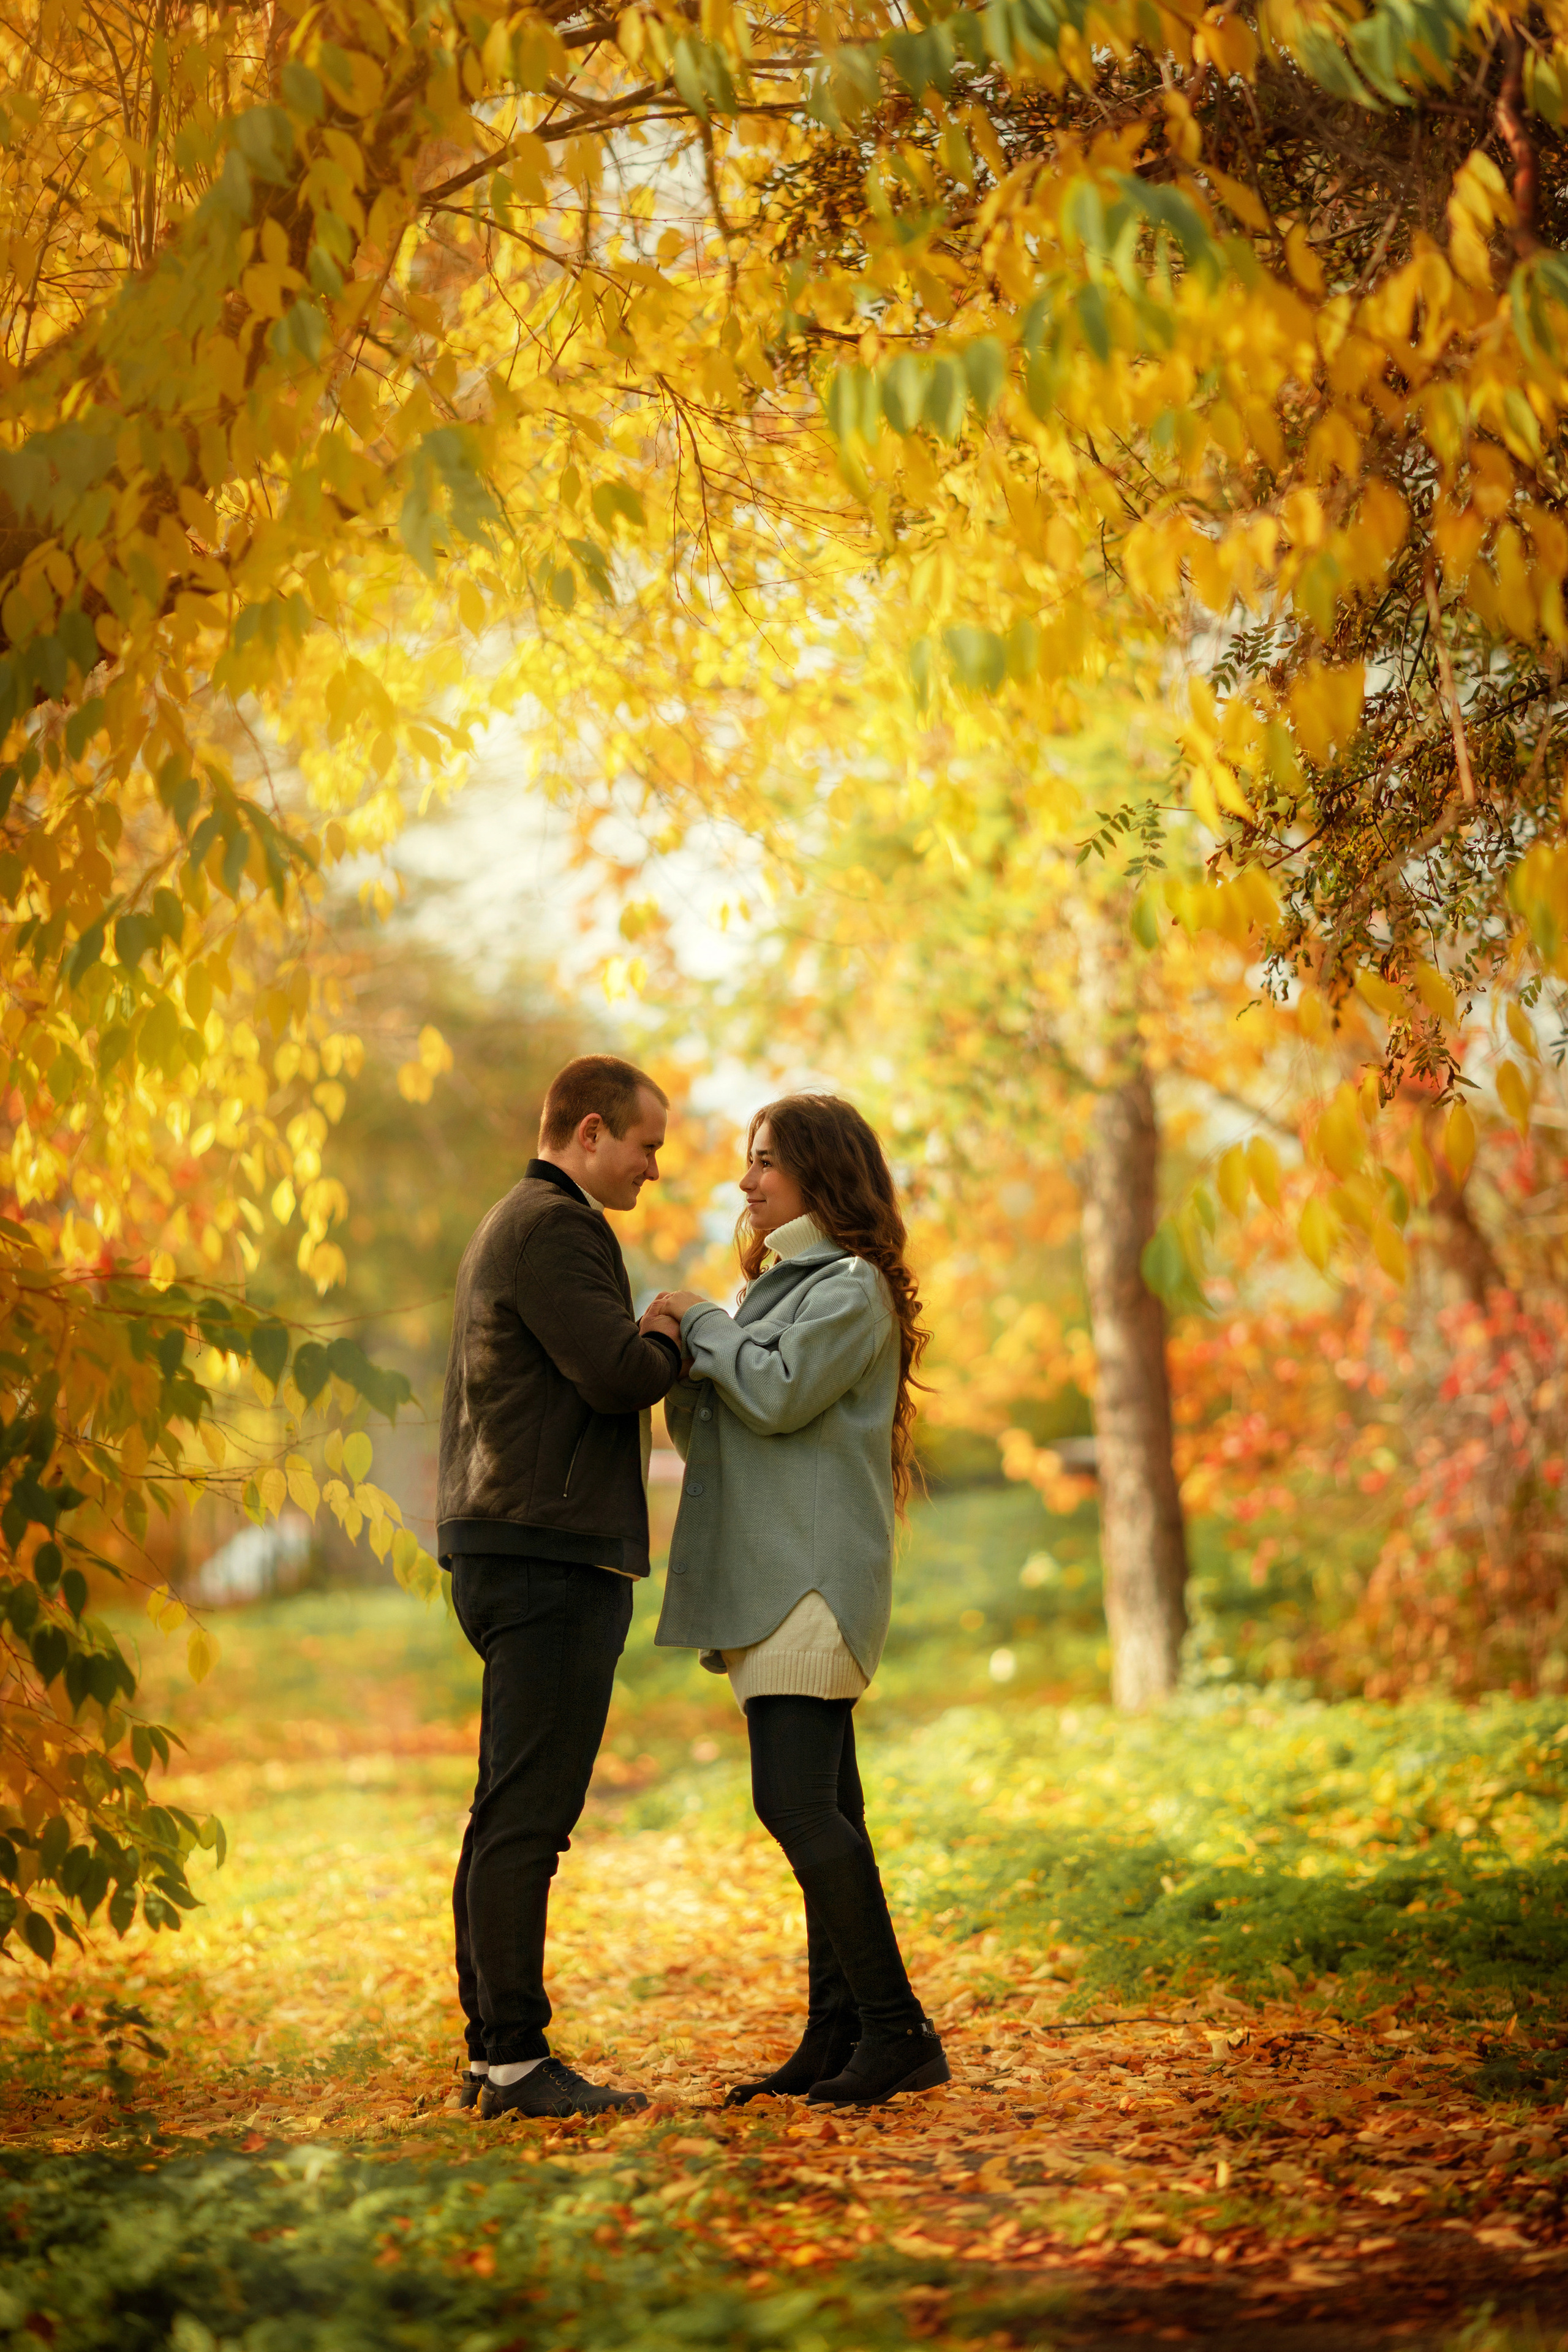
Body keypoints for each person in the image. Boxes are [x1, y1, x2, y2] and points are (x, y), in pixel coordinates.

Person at [639, 1093, 949, 2108]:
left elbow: (773, 1396)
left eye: (766, 1161)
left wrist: (710, 1326)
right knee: (831, 1808)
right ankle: (836, 2034)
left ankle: (898, 2030)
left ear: (821, 1170)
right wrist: (683, 1349)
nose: (747, 1181)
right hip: (765, 1576)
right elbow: (721, 1428)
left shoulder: (850, 1287)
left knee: (797, 1802)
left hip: (809, 1578)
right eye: (749, 1162)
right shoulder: (773, 1292)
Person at [437, 1054, 682, 2119]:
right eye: (647, 1146)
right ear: (589, 1133)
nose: (653, 1170)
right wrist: (668, 1325)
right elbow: (619, 1376)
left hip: (507, 1543)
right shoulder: (560, 1227)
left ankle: (496, 2057)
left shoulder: (511, 1222)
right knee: (528, 1819)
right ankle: (516, 2062)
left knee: (505, 1815)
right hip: (545, 1557)